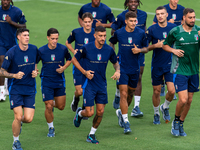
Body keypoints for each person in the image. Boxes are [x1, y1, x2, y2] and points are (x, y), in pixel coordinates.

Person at [72, 26, 120, 144]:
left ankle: (91, 134)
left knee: (100, 112)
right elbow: (74, 60)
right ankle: (79, 113)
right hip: (89, 84)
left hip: (102, 84)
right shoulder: (86, 48)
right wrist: (84, 72)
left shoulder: (109, 50)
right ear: (95, 36)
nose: (103, 38)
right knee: (89, 113)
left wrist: (117, 71)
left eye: (104, 36)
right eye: (100, 36)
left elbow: (115, 63)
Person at [163, 8, 200, 136]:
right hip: (180, 70)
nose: (193, 20)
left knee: (189, 101)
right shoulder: (176, 31)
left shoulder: (198, 31)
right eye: (190, 17)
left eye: (194, 17)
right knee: (183, 100)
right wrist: (173, 51)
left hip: (194, 70)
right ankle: (176, 121)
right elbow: (165, 45)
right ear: (184, 18)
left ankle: (181, 123)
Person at [109, 11, 148, 133]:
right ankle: (126, 122)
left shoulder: (141, 33)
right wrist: (114, 58)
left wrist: (140, 50)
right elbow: (111, 43)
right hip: (122, 68)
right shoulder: (119, 33)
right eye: (131, 21)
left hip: (135, 69)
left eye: (135, 21)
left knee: (131, 93)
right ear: (126, 21)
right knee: (124, 94)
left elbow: (146, 48)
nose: (133, 23)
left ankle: (121, 112)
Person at [0, 28, 39, 150]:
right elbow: (1, 71)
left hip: (30, 88)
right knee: (17, 116)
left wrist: (35, 72)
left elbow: (35, 63)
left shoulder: (33, 49)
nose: (27, 37)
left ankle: (19, 123)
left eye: (28, 35)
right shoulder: (11, 52)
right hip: (15, 88)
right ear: (18, 37)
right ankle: (15, 142)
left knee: (28, 118)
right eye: (24, 35)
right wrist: (14, 75)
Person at [38, 28, 72, 137]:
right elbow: (34, 62)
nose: (54, 41)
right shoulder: (42, 50)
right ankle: (51, 127)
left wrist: (64, 68)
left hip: (59, 81)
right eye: (52, 38)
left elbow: (69, 59)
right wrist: (35, 71)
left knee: (61, 106)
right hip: (46, 81)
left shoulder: (62, 49)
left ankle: (50, 102)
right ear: (48, 38)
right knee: (48, 106)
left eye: (56, 38)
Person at [147, 6, 176, 124]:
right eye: (158, 14)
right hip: (157, 65)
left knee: (172, 91)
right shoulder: (152, 29)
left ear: (166, 15)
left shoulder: (173, 28)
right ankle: (156, 113)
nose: (160, 16)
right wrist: (155, 46)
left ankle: (165, 107)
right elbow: (145, 47)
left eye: (162, 14)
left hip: (170, 64)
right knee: (157, 91)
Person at [153, 0, 185, 98]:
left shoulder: (182, 9)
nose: (175, 1)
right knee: (162, 59)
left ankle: (170, 88)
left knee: (171, 63)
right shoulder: (163, 9)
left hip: (173, 40)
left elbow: (183, 23)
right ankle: (163, 84)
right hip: (161, 43)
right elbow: (155, 24)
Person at [66, 12, 95, 112]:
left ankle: (84, 108)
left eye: (89, 22)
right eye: (85, 22)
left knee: (88, 89)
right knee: (79, 91)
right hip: (78, 64)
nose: (87, 24)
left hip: (90, 65)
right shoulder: (76, 32)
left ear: (92, 22)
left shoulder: (95, 34)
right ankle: (76, 98)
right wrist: (73, 51)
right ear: (82, 22)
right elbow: (67, 42)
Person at [0, 0, 26, 101]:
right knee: (2, 62)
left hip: (12, 43)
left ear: (10, 1)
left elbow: (24, 26)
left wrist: (11, 22)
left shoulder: (17, 11)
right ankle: (1, 92)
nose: (5, 1)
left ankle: (7, 85)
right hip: (1, 43)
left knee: (11, 65)